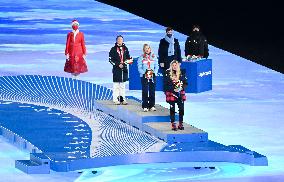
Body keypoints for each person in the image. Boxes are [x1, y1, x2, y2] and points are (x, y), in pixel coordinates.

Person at [109, 35, 133, 105]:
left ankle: (123, 99)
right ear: (116, 41)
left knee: (122, 85)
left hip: (124, 69)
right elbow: (110, 60)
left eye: (121, 39)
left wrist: (128, 61)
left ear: (123, 41)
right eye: (118, 39)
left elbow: (128, 58)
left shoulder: (125, 48)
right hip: (116, 69)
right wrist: (117, 64)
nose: (120, 40)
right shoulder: (113, 49)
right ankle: (115, 99)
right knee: (116, 85)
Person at [164, 60, 188, 131]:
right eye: (173, 65)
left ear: (178, 66)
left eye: (176, 65)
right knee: (172, 109)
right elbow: (165, 85)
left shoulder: (182, 73)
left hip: (180, 93)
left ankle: (180, 123)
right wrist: (173, 89)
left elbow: (185, 83)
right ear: (171, 66)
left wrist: (181, 88)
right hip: (171, 93)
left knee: (181, 109)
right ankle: (173, 124)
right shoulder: (167, 73)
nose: (174, 67)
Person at [137, 44, 159, 112]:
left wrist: (154, 73)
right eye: (146, 48)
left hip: (152, 75)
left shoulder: (154, 56)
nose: (147, 49)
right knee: (145, 90)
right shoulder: (141, 57)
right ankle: (145, 106)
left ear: (150, 49)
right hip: (144, 76)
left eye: (148, 48)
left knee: (152, 90)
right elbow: (139, 67)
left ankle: (152, 105)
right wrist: (145, 73)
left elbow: (156, 66)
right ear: (144, 50)